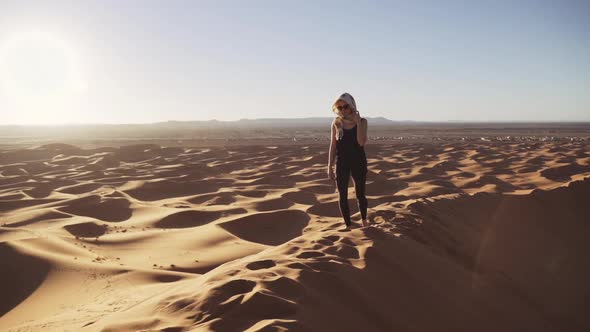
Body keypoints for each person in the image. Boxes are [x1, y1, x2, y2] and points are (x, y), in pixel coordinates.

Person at [327, 92, 369, 230]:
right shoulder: (336, 123)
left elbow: (361, 142)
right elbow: (333, 145)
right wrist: (329, 166)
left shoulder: (362, 122)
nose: (343, 110)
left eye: (345, 106)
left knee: (360, 194)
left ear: (352, 106)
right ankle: (348, 225)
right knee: (342, 194)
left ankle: (364, 221)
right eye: (339, 108)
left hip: (358, 161)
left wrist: (357, 122)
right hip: (342, 162)